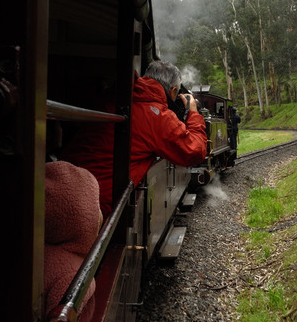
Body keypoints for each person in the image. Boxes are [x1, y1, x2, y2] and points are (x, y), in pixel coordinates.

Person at [61, 60, 207, 217]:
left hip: (62, 184)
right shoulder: (157, 115)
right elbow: (194, 151)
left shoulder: (117, 95)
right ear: (173, 91)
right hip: (93, 203)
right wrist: (193, 112)